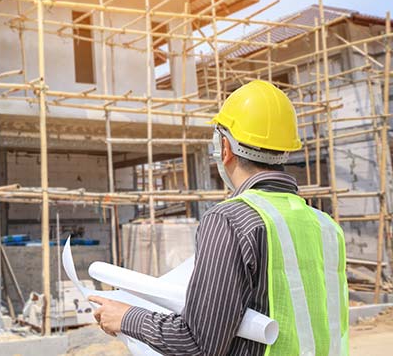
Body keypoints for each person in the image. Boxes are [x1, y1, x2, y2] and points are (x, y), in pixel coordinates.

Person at [90, 80, 348, 355]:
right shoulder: (327, 227)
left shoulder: (230, 220)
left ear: (225, 147)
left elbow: (198, 343)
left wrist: (127, 317)